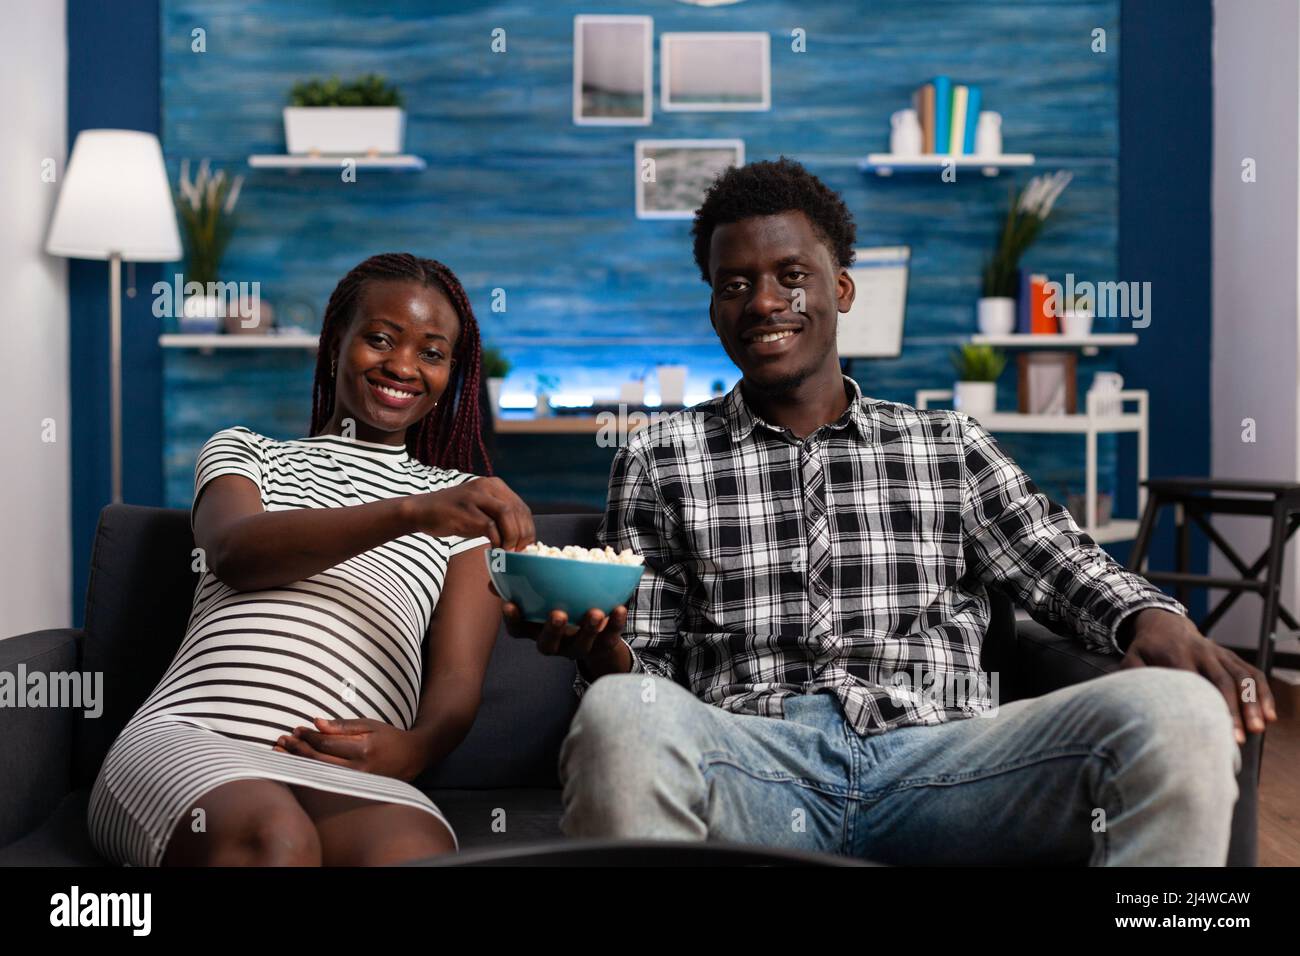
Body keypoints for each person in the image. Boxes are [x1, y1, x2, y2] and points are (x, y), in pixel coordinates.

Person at [505, 159, 1277, 865]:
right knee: (618, 715)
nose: (764, 301)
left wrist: (1156, 619)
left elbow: (1064, 563)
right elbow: (648, 680)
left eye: (790, 275)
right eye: (734, 283)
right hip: (754, 767)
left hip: (948, 763)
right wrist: (596, 652)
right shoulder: (657, 458)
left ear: (840, 288)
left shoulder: (947, 444)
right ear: (713, 307)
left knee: (1174, 710)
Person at [88, 253, 534, 866]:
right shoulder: (248, 452)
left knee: (411, 855)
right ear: (334, 346)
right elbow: (234, 553)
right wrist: (413, 511)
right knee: (276, 839)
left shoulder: (462, 513)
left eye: (431, 353)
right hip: (197, 738)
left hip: (351, 767)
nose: (403, 366)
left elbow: (458, 681)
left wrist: (414, 750)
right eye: (380, 339)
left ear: (450, 374)